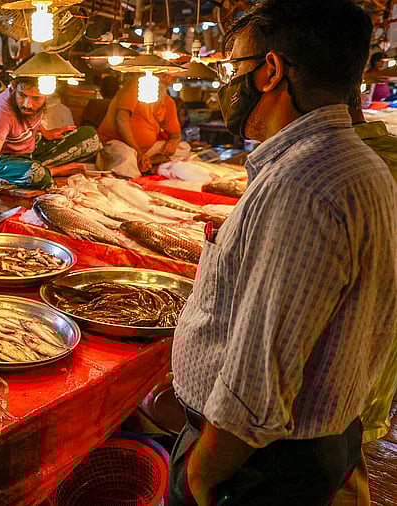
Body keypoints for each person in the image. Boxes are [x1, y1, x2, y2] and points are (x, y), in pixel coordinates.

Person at [170, 1, 397, 506]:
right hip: (305, 445)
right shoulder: (357, 162)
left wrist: (201, 475)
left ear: (270, 70)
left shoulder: (302, 183)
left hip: (259, 465)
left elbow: (259, 375)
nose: (230, 83)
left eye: (235, 66)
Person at [329, 89, 397, 506]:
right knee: (349, 453)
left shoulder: (332, 168)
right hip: (379, 358)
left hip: (335, 374)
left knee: (335, 461)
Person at [0, 76, 103, 214]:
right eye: (22, 95)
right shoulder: (3, 112)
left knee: (90, 138)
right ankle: (51, 170)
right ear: (13, 87)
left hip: (26, 154)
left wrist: (45, 132)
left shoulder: (36, 100)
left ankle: (40, 168)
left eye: (36, 98)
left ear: (48, 93)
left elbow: (32, 118)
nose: (27, 104)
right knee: (37, 174)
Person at [97, 72, 184, 173]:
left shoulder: (168, 102)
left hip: (148, 151)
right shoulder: (135, 85)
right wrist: (139, 152)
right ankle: (142, 166)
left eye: (169, 75)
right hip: (119, 144)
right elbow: (121, 119)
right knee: (127, 157)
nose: (165, 78)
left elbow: (176, 135)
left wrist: (173, 142)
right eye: (162, 73)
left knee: (183, 148)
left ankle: (147, 162)